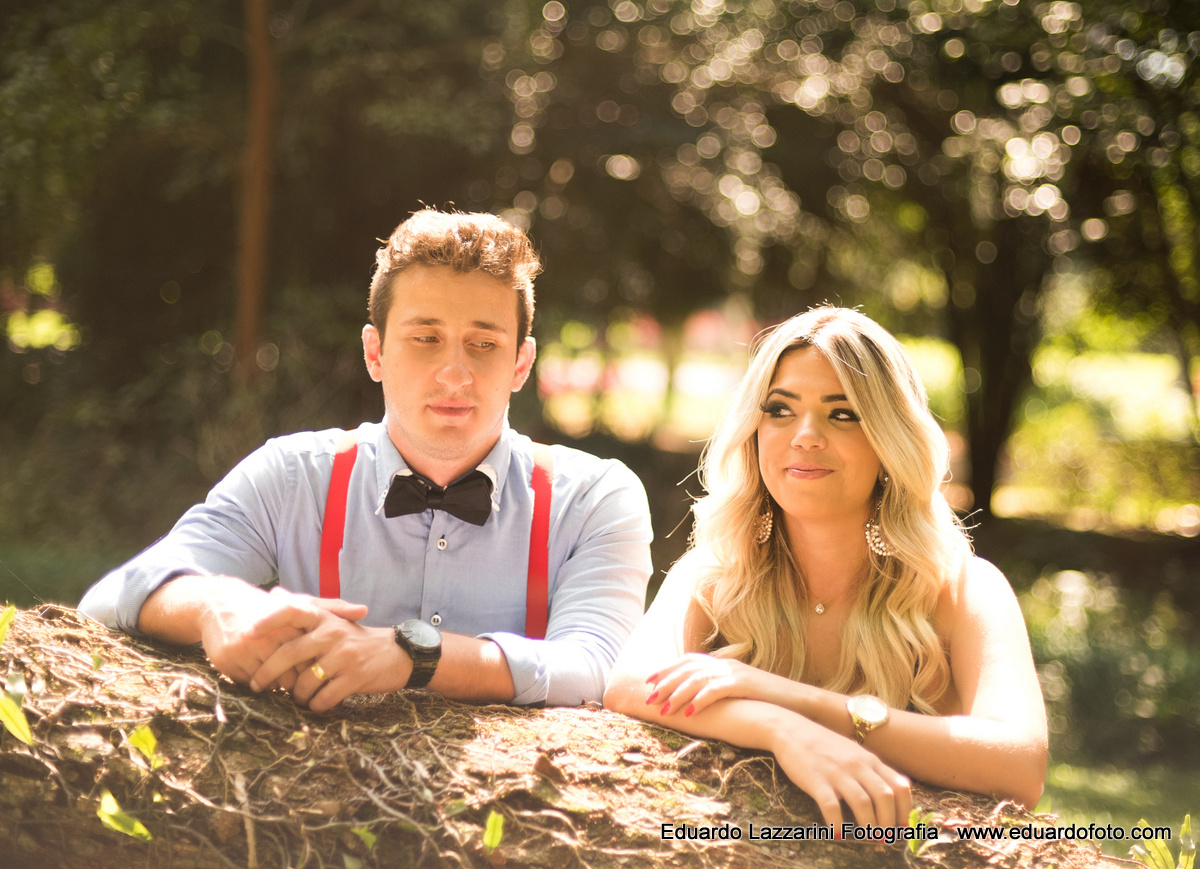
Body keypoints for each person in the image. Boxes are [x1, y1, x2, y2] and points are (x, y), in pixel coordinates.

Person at [80, 209, 653, 712]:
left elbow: (597, 666)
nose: (455, 372)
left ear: (521, 365)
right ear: (375, 352)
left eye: (483, 344)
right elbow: (113, 595)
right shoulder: (292, 474)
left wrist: (414, 657)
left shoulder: (596, 497)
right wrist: (215, 604)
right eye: (425, 338)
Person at [604, 306, 1047, 828]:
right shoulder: (715, 573)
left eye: (842, 414)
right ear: (754, 430)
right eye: (780, 410)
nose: (805, 436)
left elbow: (1020, 764)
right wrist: (781, 728)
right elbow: (630, 685)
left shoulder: (964, 588)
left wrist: (794, 700)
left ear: (889, 440)